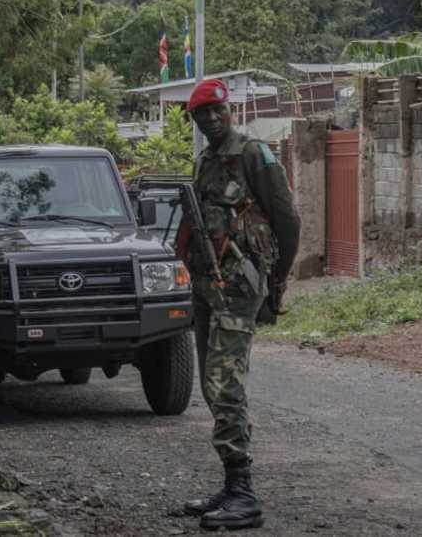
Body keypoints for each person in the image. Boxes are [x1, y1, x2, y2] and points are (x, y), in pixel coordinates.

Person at [179, 78, 300, 531]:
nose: (211, 119)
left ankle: (244, 494)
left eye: (218, 110)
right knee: (211, 386)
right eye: (202, 114)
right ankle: (231, 487)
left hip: (239, 286)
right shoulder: (205, 161)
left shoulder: (253, 155)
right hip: (207, 286)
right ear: (194, 119)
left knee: (225, 384)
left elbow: (287, 219)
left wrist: (277, 281)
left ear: (229, 111)